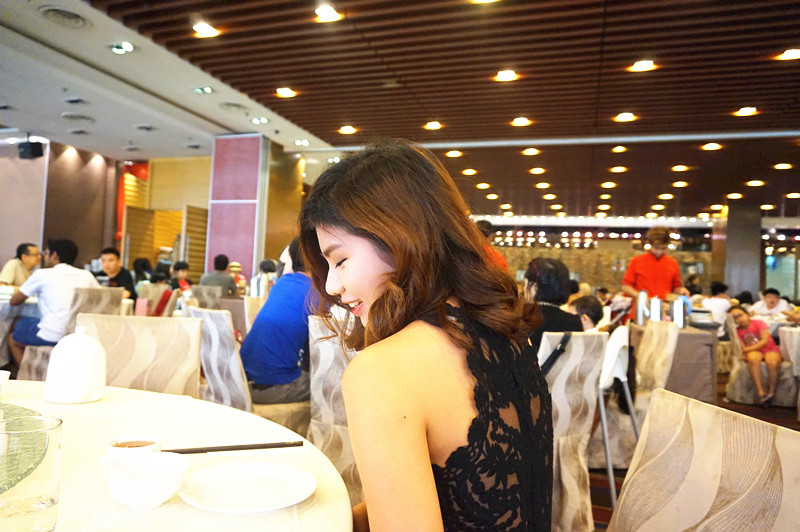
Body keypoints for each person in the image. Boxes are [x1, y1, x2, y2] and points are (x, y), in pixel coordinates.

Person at [299, 140, 552, 531]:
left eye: (341, 259)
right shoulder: (507, 335)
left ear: (400, 237)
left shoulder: (383, 370)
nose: (332, 285)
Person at [240, 239, 315, 404]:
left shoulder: (281, 284)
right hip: (274, 387)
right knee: (332, 386)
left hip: (243, 382)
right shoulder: (317, 292)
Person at [8, 238, 100, 364]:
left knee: (13, 337)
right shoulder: (87, 276)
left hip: (52, 335)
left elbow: (14, 301)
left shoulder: (42, 274)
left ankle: (27, 373)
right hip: (79, 334)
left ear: (54, 255)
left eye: (46, 253)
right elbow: (100, 297)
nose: (44, 256)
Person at [621, 226, 690, 316]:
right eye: (656, 248)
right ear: (649, 244)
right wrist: (642, 297)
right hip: (641, 310)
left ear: (668, 245)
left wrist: (681, 290)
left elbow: (675, 288)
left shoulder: (673, 263)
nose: (659, 252)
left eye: (663, 248)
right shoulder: (637, 261)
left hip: (664, 312)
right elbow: (626, 287)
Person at [524, 257, 583, 351]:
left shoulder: (522, 320)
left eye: (525, 285)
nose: (524, 290)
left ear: (535, 288)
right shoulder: (575, 322)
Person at [730, 305, 782, 406]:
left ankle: (771, 392)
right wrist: (745, 351)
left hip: (769, 348)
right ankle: (760, 392)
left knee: (772, 362)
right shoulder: (737, 331)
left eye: (740, 315)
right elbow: (741, 347)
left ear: (747, 314)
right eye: (735, 318)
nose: (739, 319)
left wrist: (746, 350)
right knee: (753, 359)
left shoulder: (759, 323)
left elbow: (764, 340)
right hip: (753, 351)